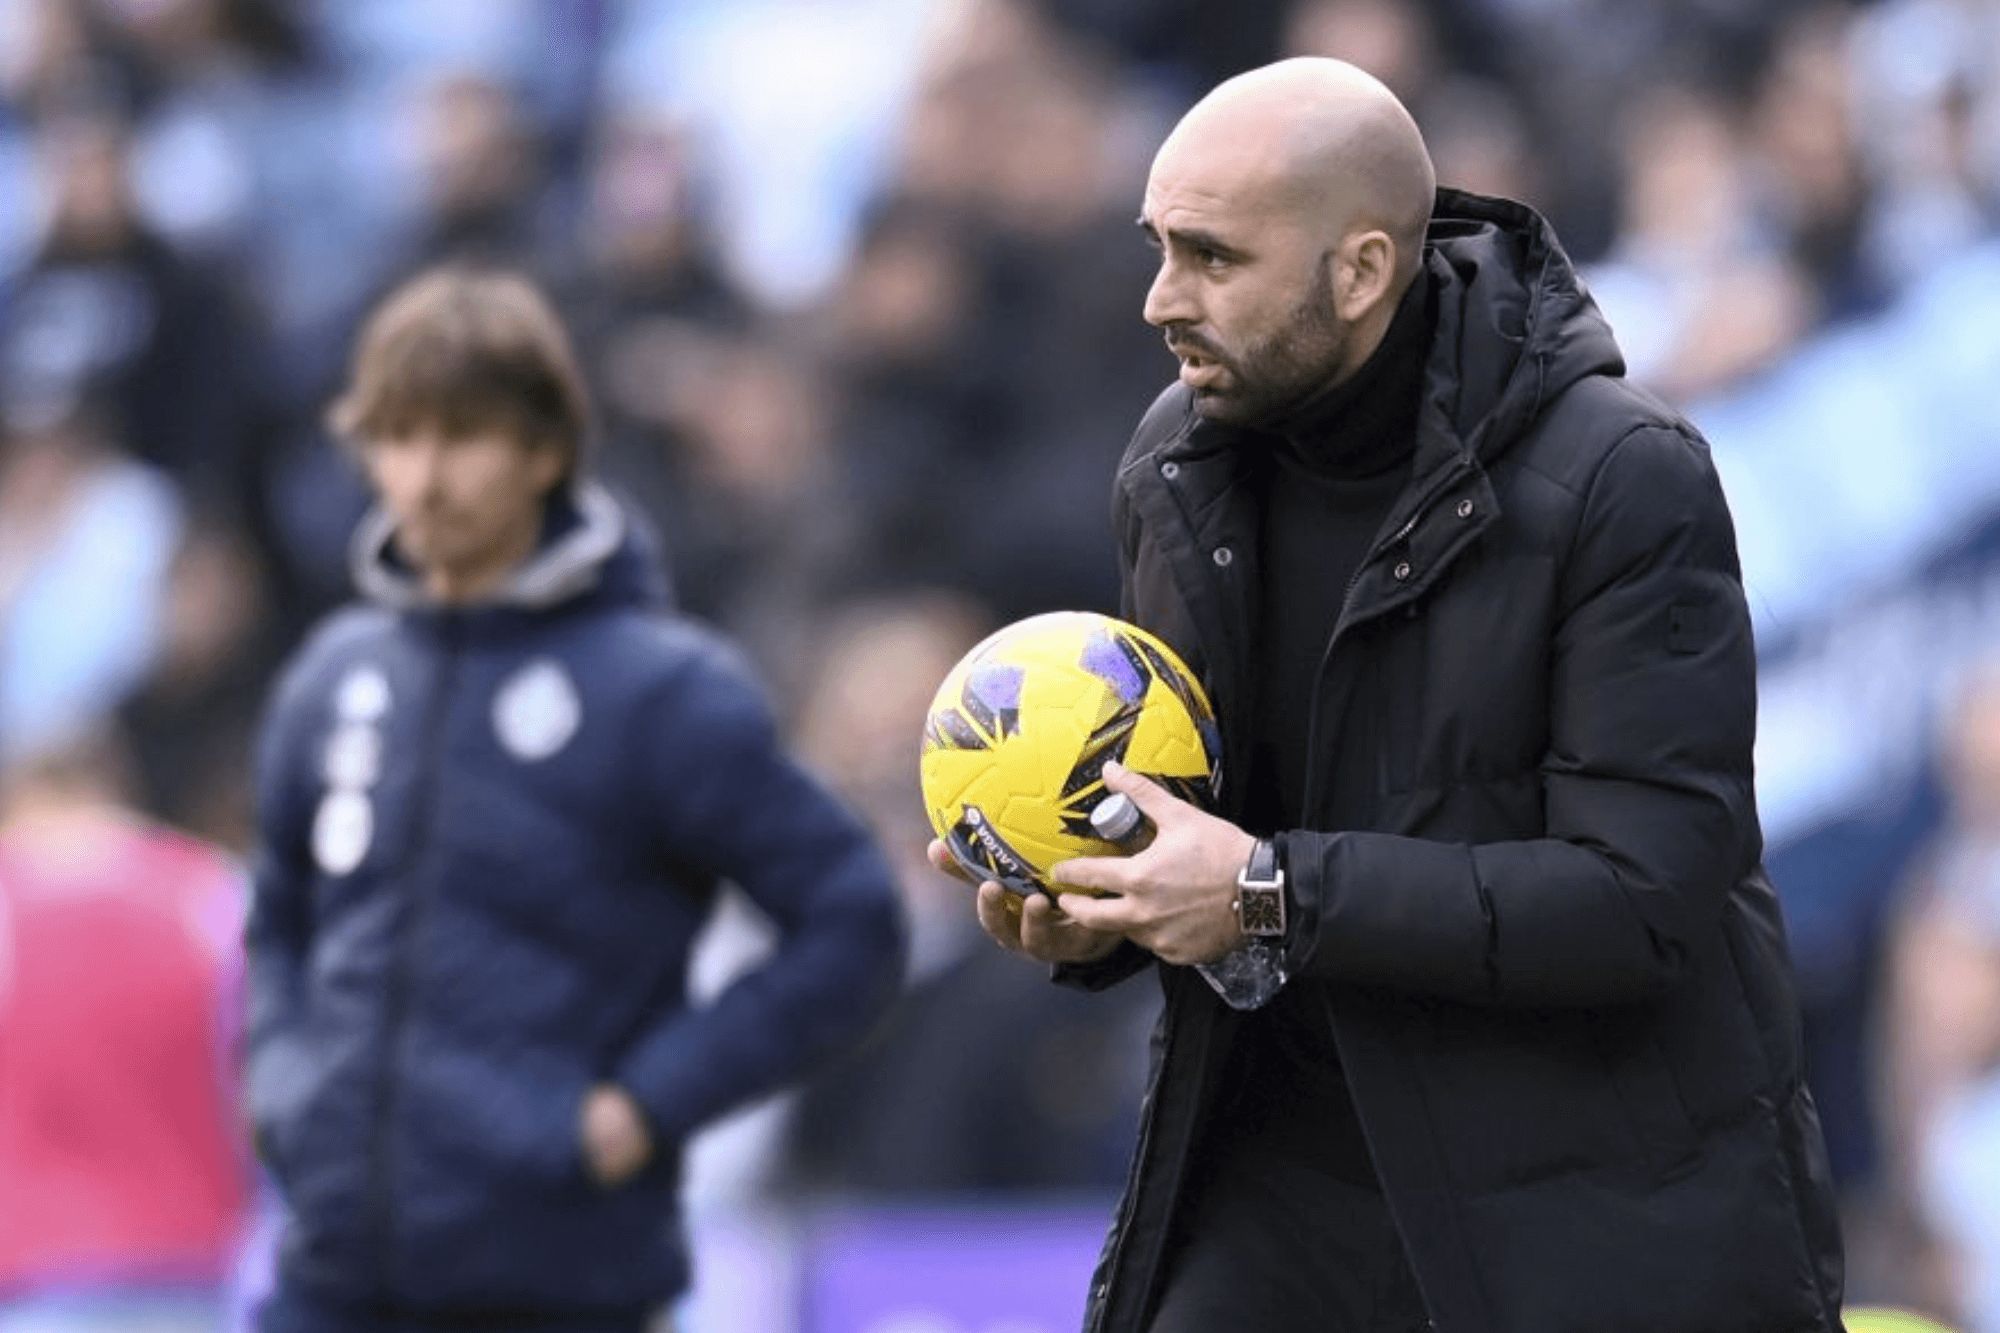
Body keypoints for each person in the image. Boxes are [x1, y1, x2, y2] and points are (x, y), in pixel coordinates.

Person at [932, 58, 1844, 1333]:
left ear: (1359, 272)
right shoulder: (1173, 465)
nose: (1157, 300)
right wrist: (1108, 914)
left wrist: (1265, 894)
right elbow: (1216, 838)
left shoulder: (1624, 476)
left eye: (1209, 258)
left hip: (1588, 1213)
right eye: (1157, 248)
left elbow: (1641, 900)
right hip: (1280, 1195)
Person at [243, 268, 905, 1332]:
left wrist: (647, 1104)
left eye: (462, 437)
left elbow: (851, 923)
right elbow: (277, 921)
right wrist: (279, 1083)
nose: (423, 477)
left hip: (557, 1285)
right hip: (327, 1276)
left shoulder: (660, 691)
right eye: (396, 437)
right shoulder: (334, 680)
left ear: (545, 451)